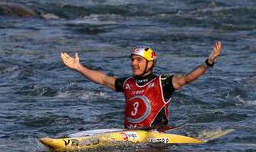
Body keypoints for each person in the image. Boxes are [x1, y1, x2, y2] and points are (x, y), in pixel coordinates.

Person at [60, 42, 223, 130]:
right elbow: (102, 79)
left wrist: (208, 63)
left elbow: (187, 78)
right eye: (132, 60)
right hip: (130, 135)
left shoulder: (163, 82)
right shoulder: (127, 83)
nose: (134, 63)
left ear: (150, 64)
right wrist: (78, 67)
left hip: (156, 136)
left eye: (139, 60)